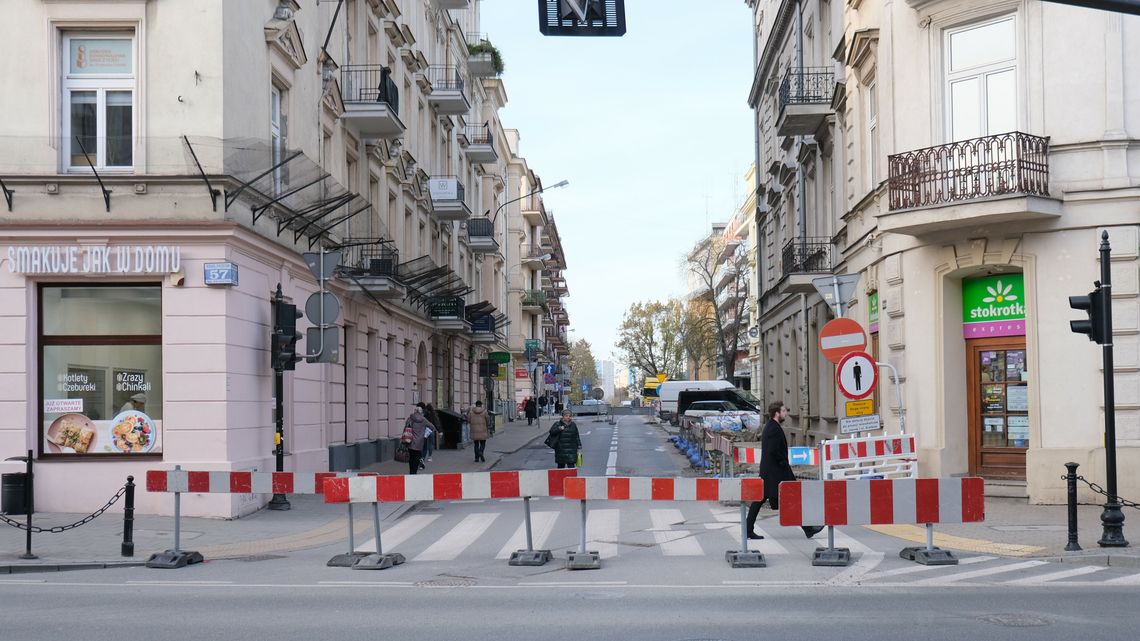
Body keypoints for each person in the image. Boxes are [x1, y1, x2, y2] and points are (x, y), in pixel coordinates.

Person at [746, 401, 824, 540]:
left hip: (771, 472)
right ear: (777, 413)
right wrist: (783, 464)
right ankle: (808, 529)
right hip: (776, 473)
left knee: (761, 500)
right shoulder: (774, 429)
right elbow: (774, 451)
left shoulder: (771, 426)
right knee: (791, 498)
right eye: (783, 411)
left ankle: (748, 530)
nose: (786, 414)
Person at [403, 406, 431, 475]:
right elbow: (431, 427)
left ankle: (411, 472)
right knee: (417, 457)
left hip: (410, 440)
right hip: (419, 442)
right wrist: (425, 433)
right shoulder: (423, 420)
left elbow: (405, 428)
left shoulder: (410, 419)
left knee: (411, 457)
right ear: (421, 412)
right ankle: (414, 472)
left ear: (415, 411)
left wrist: (404, 437)